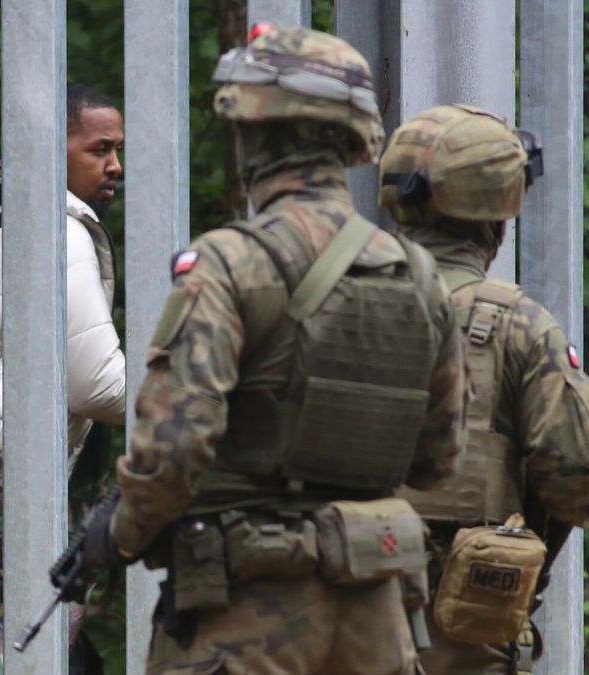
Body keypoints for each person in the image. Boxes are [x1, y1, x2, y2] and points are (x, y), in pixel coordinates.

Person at [78, 25, 468, 674]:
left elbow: (175, 444)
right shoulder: (418, 275)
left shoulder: (231, 264)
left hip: (244, 617)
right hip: (376, 624)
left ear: (254, 136)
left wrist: (120, 536)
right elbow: (437, 460)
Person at [379, 104, 589, 675]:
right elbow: (585, 490)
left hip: (323, 627)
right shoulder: (518, 326)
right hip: (458, 638)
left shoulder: (323, 304)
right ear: (500, 210)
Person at [0, 83, 126, 674]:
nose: (115, 166)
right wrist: (189, 400)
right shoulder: (57, 230)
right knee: (14, 658)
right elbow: (97, 384)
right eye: (99, 149)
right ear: (51, 148)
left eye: (118, 149)